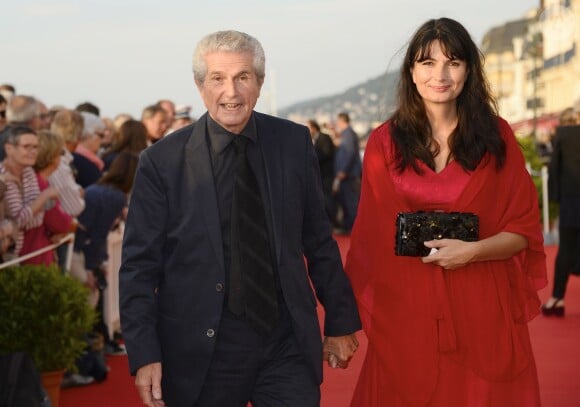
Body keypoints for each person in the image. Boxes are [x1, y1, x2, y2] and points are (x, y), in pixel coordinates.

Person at [119, 30, 361, 407]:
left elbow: (317, 239)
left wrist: (341, 320)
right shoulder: (162, 162)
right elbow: (138, 267)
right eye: (217, 78)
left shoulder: (293, 143)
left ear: (259, 83)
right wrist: (144, 353)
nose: (230, 92)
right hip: (202, 351)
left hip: (286, 343)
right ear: (201, 86)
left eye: (242, 77)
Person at [345, 18, 547, 406]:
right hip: (408, 315)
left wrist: (472, 251)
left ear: (469, 70)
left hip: (483, 312)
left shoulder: (497, 137)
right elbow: (368, 240)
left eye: (453, 62)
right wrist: (343, 322)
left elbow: (523, 230)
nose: (440, 74)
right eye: (427, 63)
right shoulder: (384, 143)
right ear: (411, 71)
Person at [542, 107, 580, 316]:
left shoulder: (564, 136)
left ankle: (556, 299)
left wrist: (555, 197)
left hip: (572, 200)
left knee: (565, 250)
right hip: (571, 199)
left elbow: (554, 167)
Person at [333, 112, 361, 234]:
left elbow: (349, 153)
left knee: (350, 202)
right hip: (347, 175)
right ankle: (348, 227)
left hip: (349, 176)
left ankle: (352, 228)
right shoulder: (346, 134)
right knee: (346, 202)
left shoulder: (348, 134)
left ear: (342, 121)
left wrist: (343, 171)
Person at [307, 119, 337, 226]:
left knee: (328, 198)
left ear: (314, 127)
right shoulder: (314, 139)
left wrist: (312, 158)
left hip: (327, 174)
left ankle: (334, 221)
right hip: (321, 174)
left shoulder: (324, 137)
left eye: (309, 127)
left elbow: (327, 153)